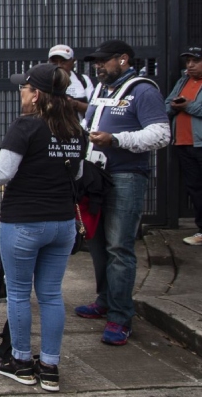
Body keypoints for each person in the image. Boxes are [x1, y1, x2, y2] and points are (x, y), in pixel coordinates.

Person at [0, 63, 84, 392]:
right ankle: (50, 367)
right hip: (62, 224)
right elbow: (75, 175)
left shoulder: (25, 126)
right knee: (50, 295)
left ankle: (20, 363)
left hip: (25, 223)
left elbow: (4, 171)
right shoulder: (76, 129)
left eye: (24, 88)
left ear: (37, 95)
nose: (21, 92)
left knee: (18, 294)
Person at [75, 39, 169, 346]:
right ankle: (105, 300)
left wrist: (115, 140)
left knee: (119, 247)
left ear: (123, 59)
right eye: (95, 62)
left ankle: (120, 316)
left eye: (104, 61)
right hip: (96, 175)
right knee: (98, 243)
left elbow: (160, 134)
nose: (97, 66)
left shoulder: (143, 90)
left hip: (126, 176)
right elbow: (87, 125)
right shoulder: (102, 91)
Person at [168, 47, 202, 246]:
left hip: (200, 143)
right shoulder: (182, 81)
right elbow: (166, 103)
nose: (190, 65)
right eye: (188, 61)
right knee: (195, 188)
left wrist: (186, 105)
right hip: (182, 142)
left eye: (195, 61)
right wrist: (173, 105)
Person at [48, 44, 94, 119]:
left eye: (63, 62)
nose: (59, 65)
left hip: (79, 127)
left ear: (73, 61)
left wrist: (75, 104)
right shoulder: (44, 80)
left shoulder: (83, 80)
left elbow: (94, 109)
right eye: (55, 62)